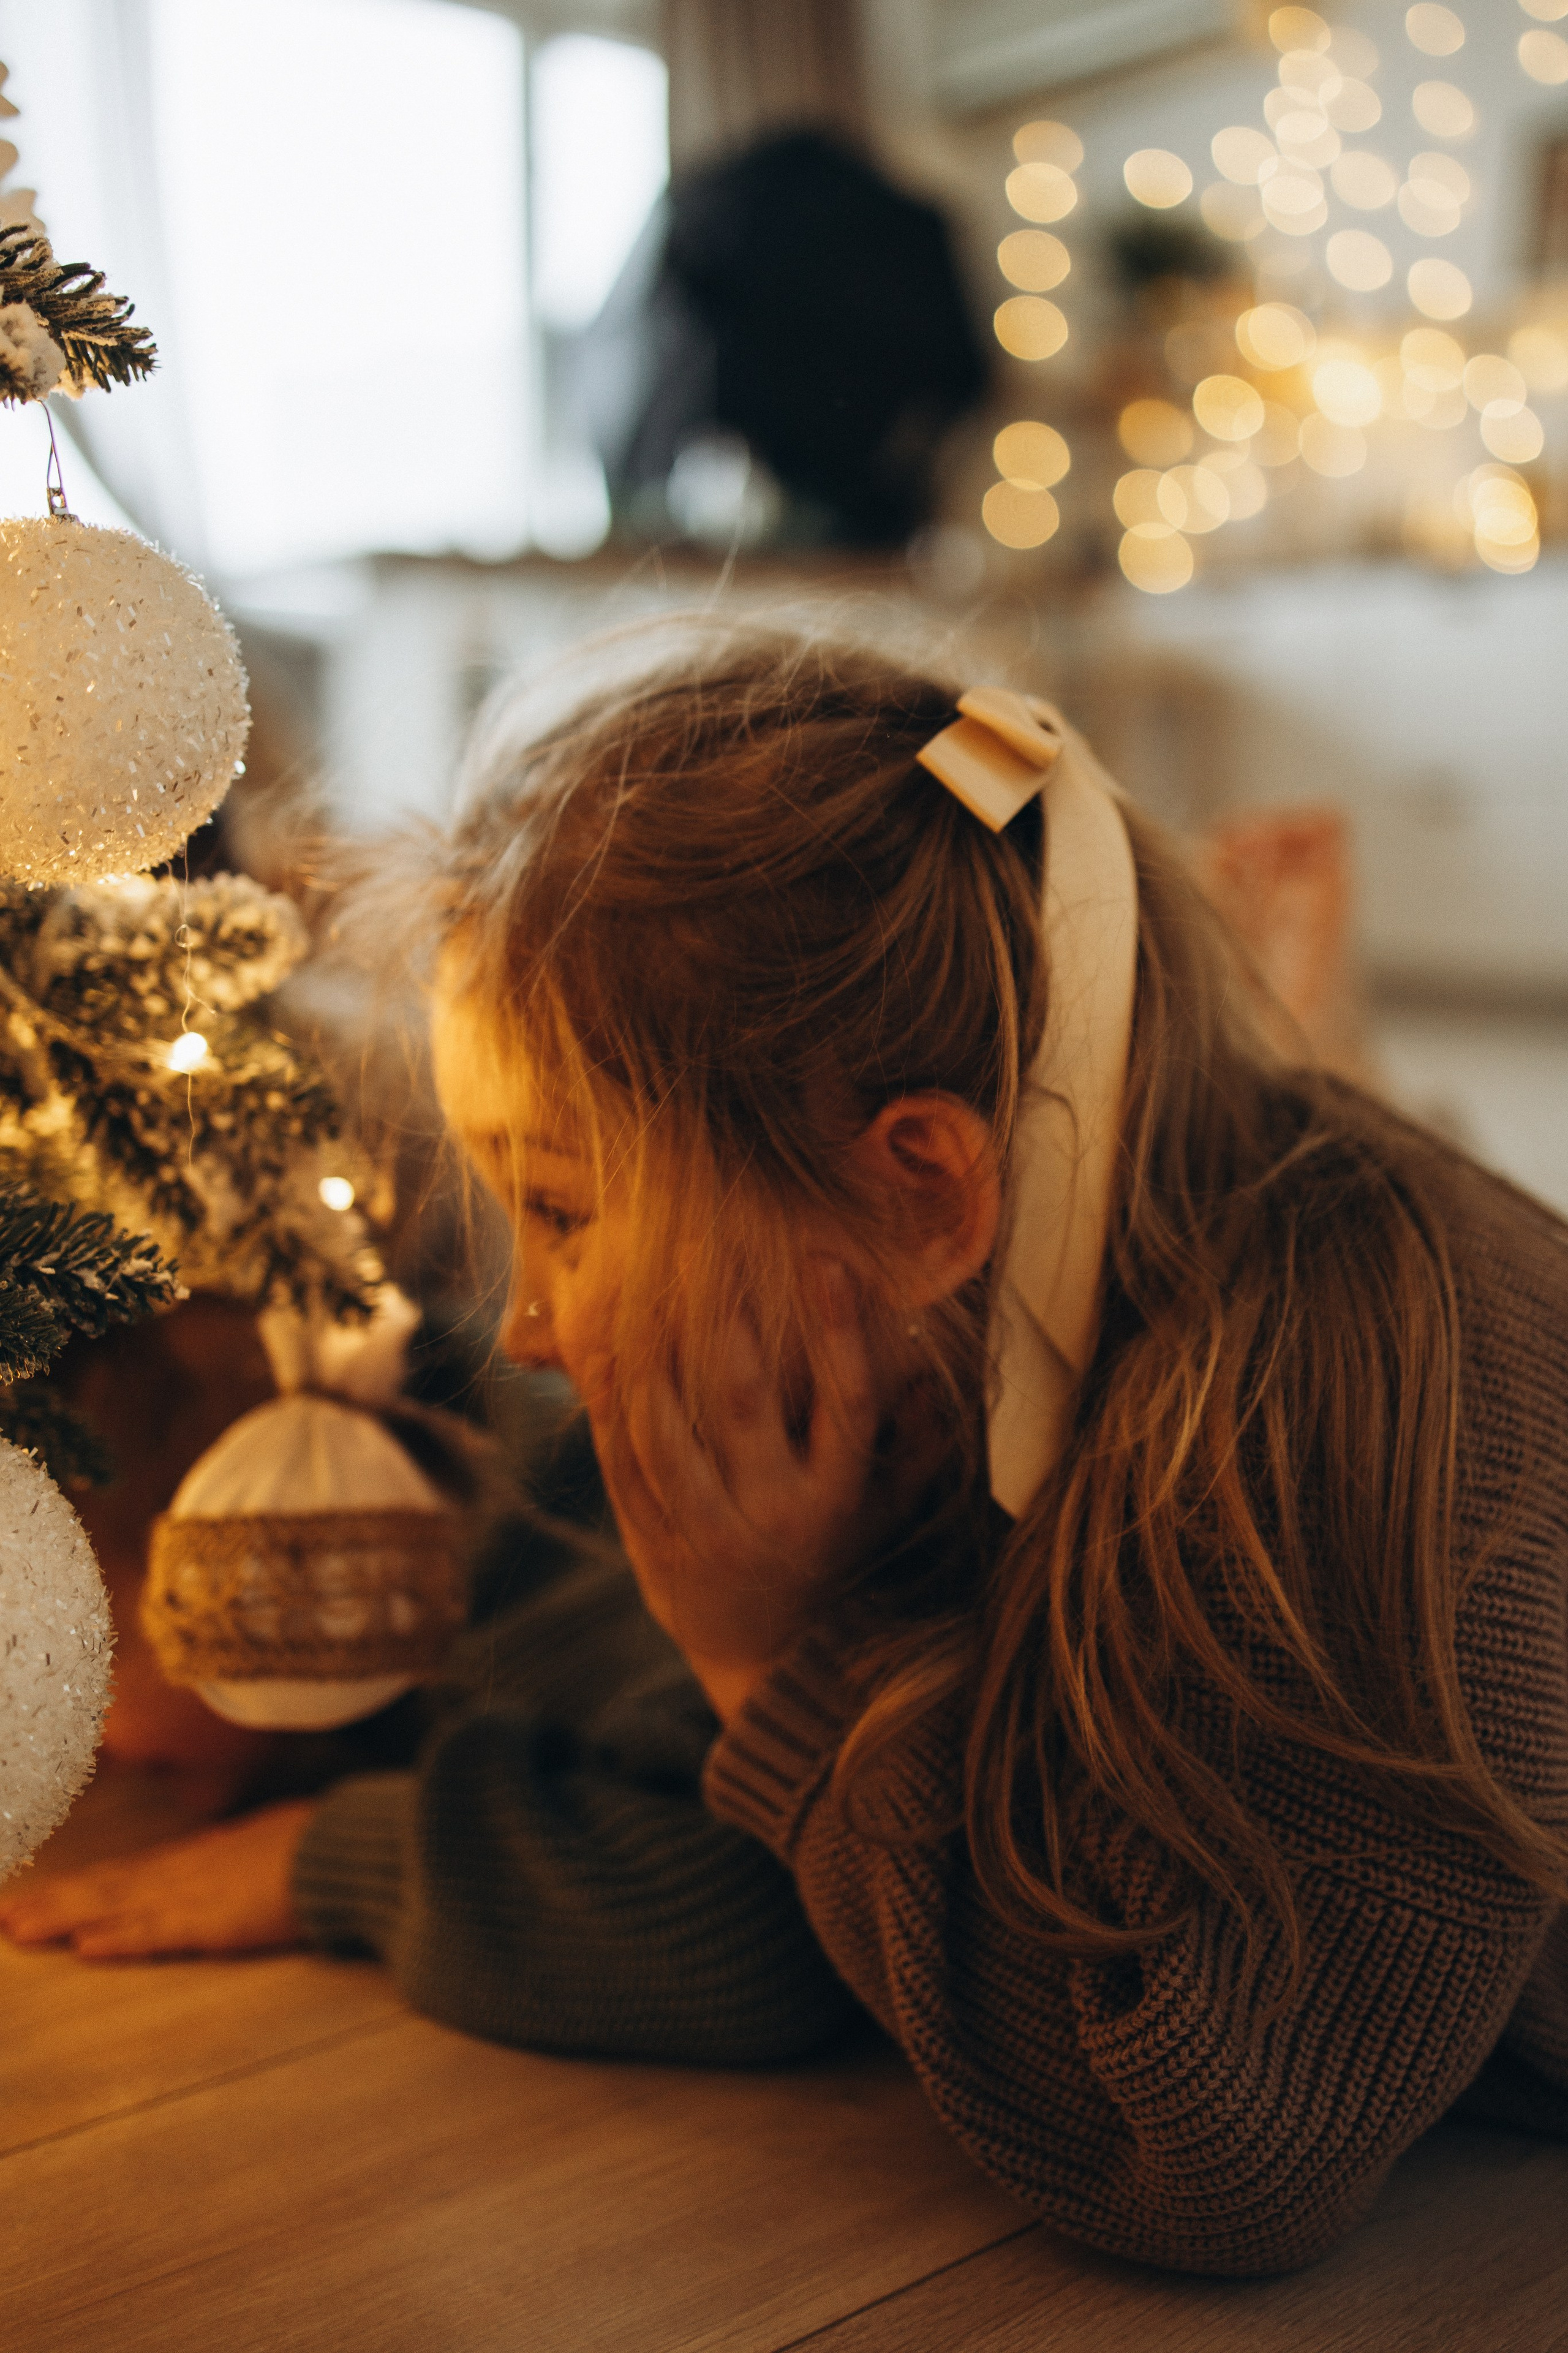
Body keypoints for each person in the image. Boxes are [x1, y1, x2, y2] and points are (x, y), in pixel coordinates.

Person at [5, 630, 1565, 2277]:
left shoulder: (1351, 1403)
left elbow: (1199, 2159)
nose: (527, 1321)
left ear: (924, 1190)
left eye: (564, 1209)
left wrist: (770, 1656)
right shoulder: (964, 1332)